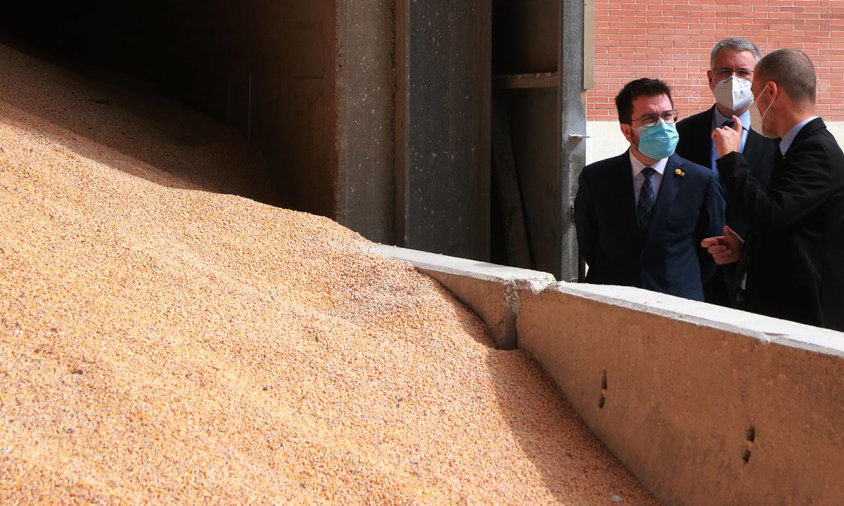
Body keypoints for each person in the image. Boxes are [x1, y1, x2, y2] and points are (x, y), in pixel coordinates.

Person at [703, 49, 844, 331]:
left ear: (770, 92)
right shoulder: (792, 147)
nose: (752, 104)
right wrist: (747, 251)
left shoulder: (816, 151)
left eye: (754, 94)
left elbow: (770, 216)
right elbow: (789, 228)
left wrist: (731, 159)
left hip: (805, 319)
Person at [575, 78, 725, 301]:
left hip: (678, 304)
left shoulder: (701, 180)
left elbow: (710, 252)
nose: (663, 125)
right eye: (649, 119)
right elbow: (589, 241)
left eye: (667, 116)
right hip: (612, 303)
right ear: (627, 131)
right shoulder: (597, 178)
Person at [676, 37, 779, 307]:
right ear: (710, 78)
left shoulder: (778, 138)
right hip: (694, 275)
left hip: (754, 275)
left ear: (757, 80)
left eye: (743, 72)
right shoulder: (682, 134)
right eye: (724, 72)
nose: (734, 80)